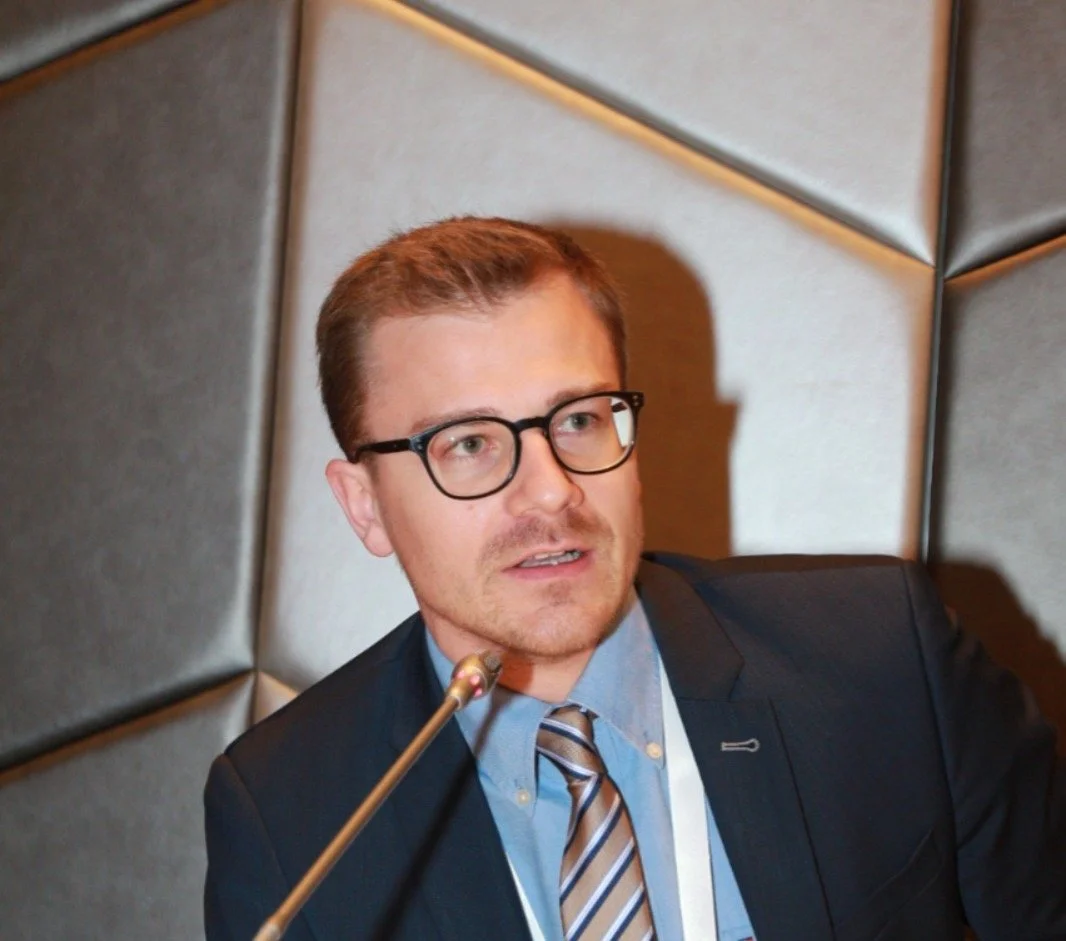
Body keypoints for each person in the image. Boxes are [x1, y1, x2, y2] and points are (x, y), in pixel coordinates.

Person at [203, 217, 1065, 941]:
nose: (552, 489)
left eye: (578, 418)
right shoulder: (292, 811)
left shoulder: (883, 658)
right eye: (467, 443)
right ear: (364, 506)